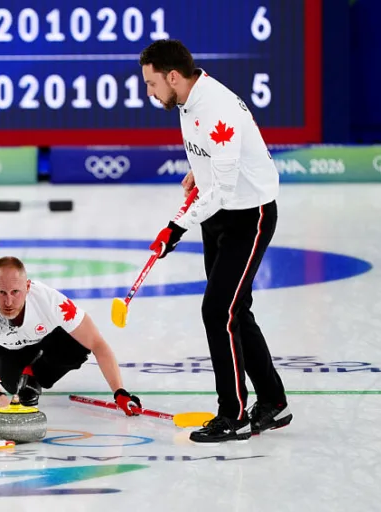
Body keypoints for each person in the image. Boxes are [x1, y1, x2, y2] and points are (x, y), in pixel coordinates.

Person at [139, 39, 292, 443]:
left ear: (173, 76)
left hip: (247, 216)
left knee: (217, 310)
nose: (150, 92)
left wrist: (176, 226)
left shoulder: (216, 106)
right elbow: (215, 159)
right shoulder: (187, 99)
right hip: (218, 214)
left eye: (152, 84)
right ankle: (273, 401)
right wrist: (199, 171)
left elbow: (223, 189)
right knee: (234, 309)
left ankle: (233, 414)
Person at [0, 256, 141, 416]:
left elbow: (97, 343)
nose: (9, 302)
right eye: (1, 292)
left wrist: (119, 392)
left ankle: (34, 373)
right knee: (14, 387)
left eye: (15, 292)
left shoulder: (50, 301)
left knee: (78, 346)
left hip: (47, 343)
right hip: (10, 352)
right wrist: (2, 403)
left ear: (27, 287)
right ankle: (26, 374)